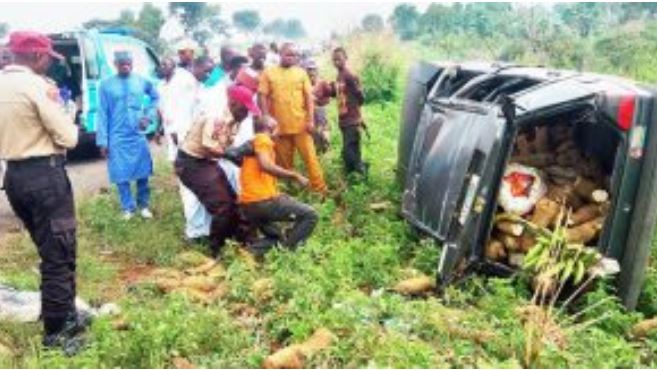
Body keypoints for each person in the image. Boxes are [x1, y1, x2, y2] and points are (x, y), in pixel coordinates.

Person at [0, 31, 88, 354]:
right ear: (37, 56)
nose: (50, 60)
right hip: (44, 176)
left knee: (49, 250)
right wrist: (68, 116)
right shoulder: (38, 87)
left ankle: (64, 314)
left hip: (14, 177)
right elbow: (69, 137)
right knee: (59, 257)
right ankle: (59, 334)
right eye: (48, 56)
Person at [175, 82, 255, 257]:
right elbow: (211, 147)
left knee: (234, 201)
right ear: (234, 103)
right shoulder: (217, 117)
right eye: (245, 109)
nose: (247, 114)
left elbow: (225, 146)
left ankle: (239, 239)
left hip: (207, 162)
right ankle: (215, 249)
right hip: (191, 163)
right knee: (222, 206)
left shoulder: (236, 118)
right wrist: (233, 155)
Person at [239, 107, 318, 257]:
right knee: (310, 215)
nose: (279, 132)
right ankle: (288, 254)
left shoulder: (253, 144)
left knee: (277, 237)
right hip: (261, 202)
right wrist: (294, 175)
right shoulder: (262, 138)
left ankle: (248, 254)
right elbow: (266, 166)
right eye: (277, 128)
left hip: (249, 205)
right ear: (270, 128)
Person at [97, 51, 159, 220]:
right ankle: (128, 208)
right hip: (116, 134)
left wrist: (148, 116)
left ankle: (144, 205)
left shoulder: (141, 80)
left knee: (143, 170)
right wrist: (102, 141)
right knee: (120, 173)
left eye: (128, 63)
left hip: (137, 133)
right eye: (122, 63)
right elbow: (102, 113)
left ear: (132, 63)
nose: (125, 66)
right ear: (115, 64)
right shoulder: (106, 85)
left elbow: (155, 97)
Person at [258, 42, 327, 194]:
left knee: (311, 159)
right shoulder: (268, 72)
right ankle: (290, 191)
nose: (292, 57)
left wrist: (310, 120)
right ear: (280, 55)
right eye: (289, 54)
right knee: (284, 163)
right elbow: (262, 95)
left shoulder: (301, 73)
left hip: (301, 126)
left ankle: (320, 189)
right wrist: (265, 116)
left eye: (295, 55)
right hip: (279, 128)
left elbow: (309, 97)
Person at [157, 56, 212, 242]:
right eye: (206, 70)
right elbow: (168, 113)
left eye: (211, 71)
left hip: (193, 143)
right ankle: (197, 229)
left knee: (197, 186)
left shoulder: (194, 83)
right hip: (181, 144)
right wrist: (166, 131)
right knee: (188, 187)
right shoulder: (172, 85)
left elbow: (195, 112)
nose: (209, 74)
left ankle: (201, 229)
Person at [330, 47, 368, 176]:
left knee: (348, 150)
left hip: (352, 120)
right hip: (344, 120)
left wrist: (356, 112)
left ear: (345, 58)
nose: (336, 62)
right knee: (353, 149)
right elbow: (341, 94)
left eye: (339, 59)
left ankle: (361, 170)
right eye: (334, 60)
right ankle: (355, 175)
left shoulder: (350, 75)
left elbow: (361, 96)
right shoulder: (339, 75)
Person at [303, 59, 332, 154]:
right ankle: (317, 152)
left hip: (320, 112)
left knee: (323, 133)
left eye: (313, 69)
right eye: (309, 69)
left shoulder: (323, 83)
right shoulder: (303, 84)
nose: (311, 72)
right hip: (309, 114)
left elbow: (328, 99)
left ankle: (326, 150)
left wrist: (317, 100)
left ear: (316, 71)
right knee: (314, 135)